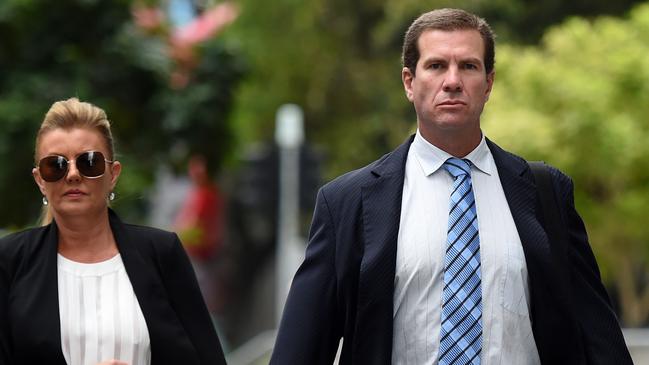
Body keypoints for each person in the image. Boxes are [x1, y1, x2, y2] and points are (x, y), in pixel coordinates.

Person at [270, 8, 632, 365]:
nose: (453, 81)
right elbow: (300, 348)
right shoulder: (346, 203)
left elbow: (600, 339)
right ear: (409, 82)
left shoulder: (546, 193)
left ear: (488, 83)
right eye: (437, 65)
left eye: (469, 66)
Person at [0, 98, 227, 365]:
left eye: (89, 162)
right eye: (56, 166)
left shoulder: (161, 253)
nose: (73, 174)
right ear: (40, 180)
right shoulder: (10, 261)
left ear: (113, 174)